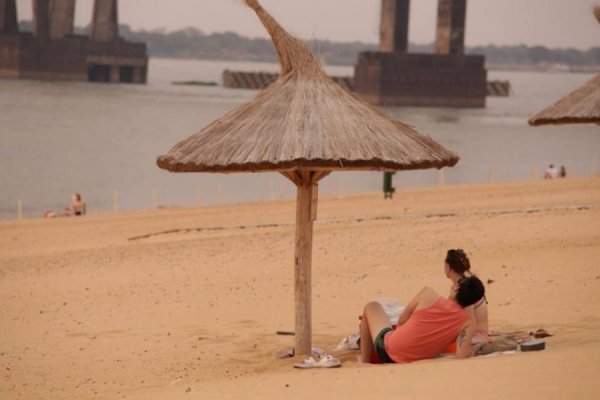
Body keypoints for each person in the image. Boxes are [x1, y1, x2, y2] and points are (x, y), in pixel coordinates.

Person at [359, 276, 485, 364]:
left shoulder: (428, 294)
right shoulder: (468, 322)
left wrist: (402, 342)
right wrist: (478, 346)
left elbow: (402, 320)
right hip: (418, 358)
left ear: (456, 289)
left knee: (372, 306)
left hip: (387, 352)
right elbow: (461, 355)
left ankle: (364, 362)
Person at [444, 249, 489, 347]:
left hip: (477, 337)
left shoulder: (466, 290)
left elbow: (469, 320)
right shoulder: (459, 286)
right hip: (471, 334)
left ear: (449, 267)